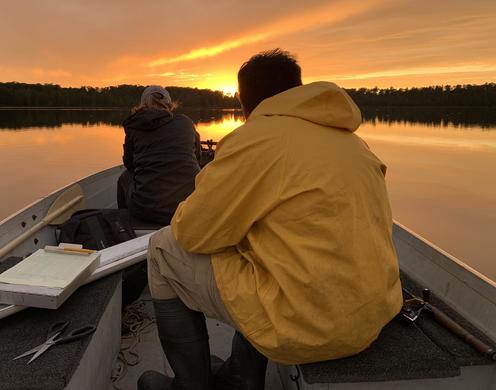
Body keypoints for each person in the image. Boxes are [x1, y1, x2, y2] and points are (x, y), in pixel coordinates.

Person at [137, 49, 403, 390]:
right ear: (297, 89)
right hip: (372, 314)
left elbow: (191, 234)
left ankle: (193, 384)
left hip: (307, 326)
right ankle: (240, 374)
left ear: (245, 104)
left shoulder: (256, 139)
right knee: (262, 242)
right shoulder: (355, 143)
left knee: (162, 247)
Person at [117, 86, 201, 225]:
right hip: (187, 207)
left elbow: (129, 164)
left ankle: (126, 224)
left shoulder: (134, 126)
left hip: (145, 210)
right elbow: (197, 158)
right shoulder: (186, 122)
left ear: (143, 104)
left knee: (124, 178)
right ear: (169, 104)